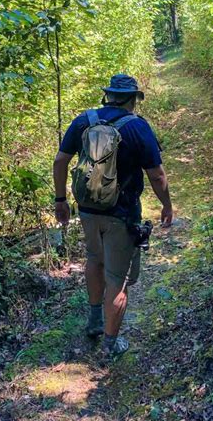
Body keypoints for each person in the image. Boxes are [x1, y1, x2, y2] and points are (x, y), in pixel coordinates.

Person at [53, 74, 173, 356]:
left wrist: (60, 201)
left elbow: (61, 160)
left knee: (94, 260)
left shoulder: (85, 120)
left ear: (108, 95)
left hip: (87, 209)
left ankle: (95, 321)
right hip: (122, 213)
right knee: (117, 277)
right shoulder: (137, 127)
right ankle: (111, 343)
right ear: (133, 99)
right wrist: (166, 204)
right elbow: (156, 174)